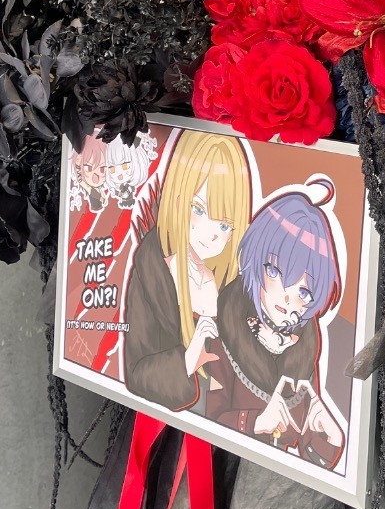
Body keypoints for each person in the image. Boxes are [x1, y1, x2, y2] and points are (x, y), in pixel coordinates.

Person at [206, 180, 346, 468]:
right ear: (256, 263)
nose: (286, 297)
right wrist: (254, 423)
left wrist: (330, 440)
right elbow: (204, 421)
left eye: (304, 292)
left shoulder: (304, 351)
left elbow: (310, 453)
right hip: (225, 471)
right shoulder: (223, 335)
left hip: (279, 486)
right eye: (275, 272)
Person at [122, 130, 252, 412]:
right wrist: (187, 359)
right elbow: (136, 372)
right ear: (178, 198)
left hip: (230, 419)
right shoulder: (154, 273)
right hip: (172, 415)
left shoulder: (233, 281)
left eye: (224, 225)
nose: (210, 234)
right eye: (199, 209)